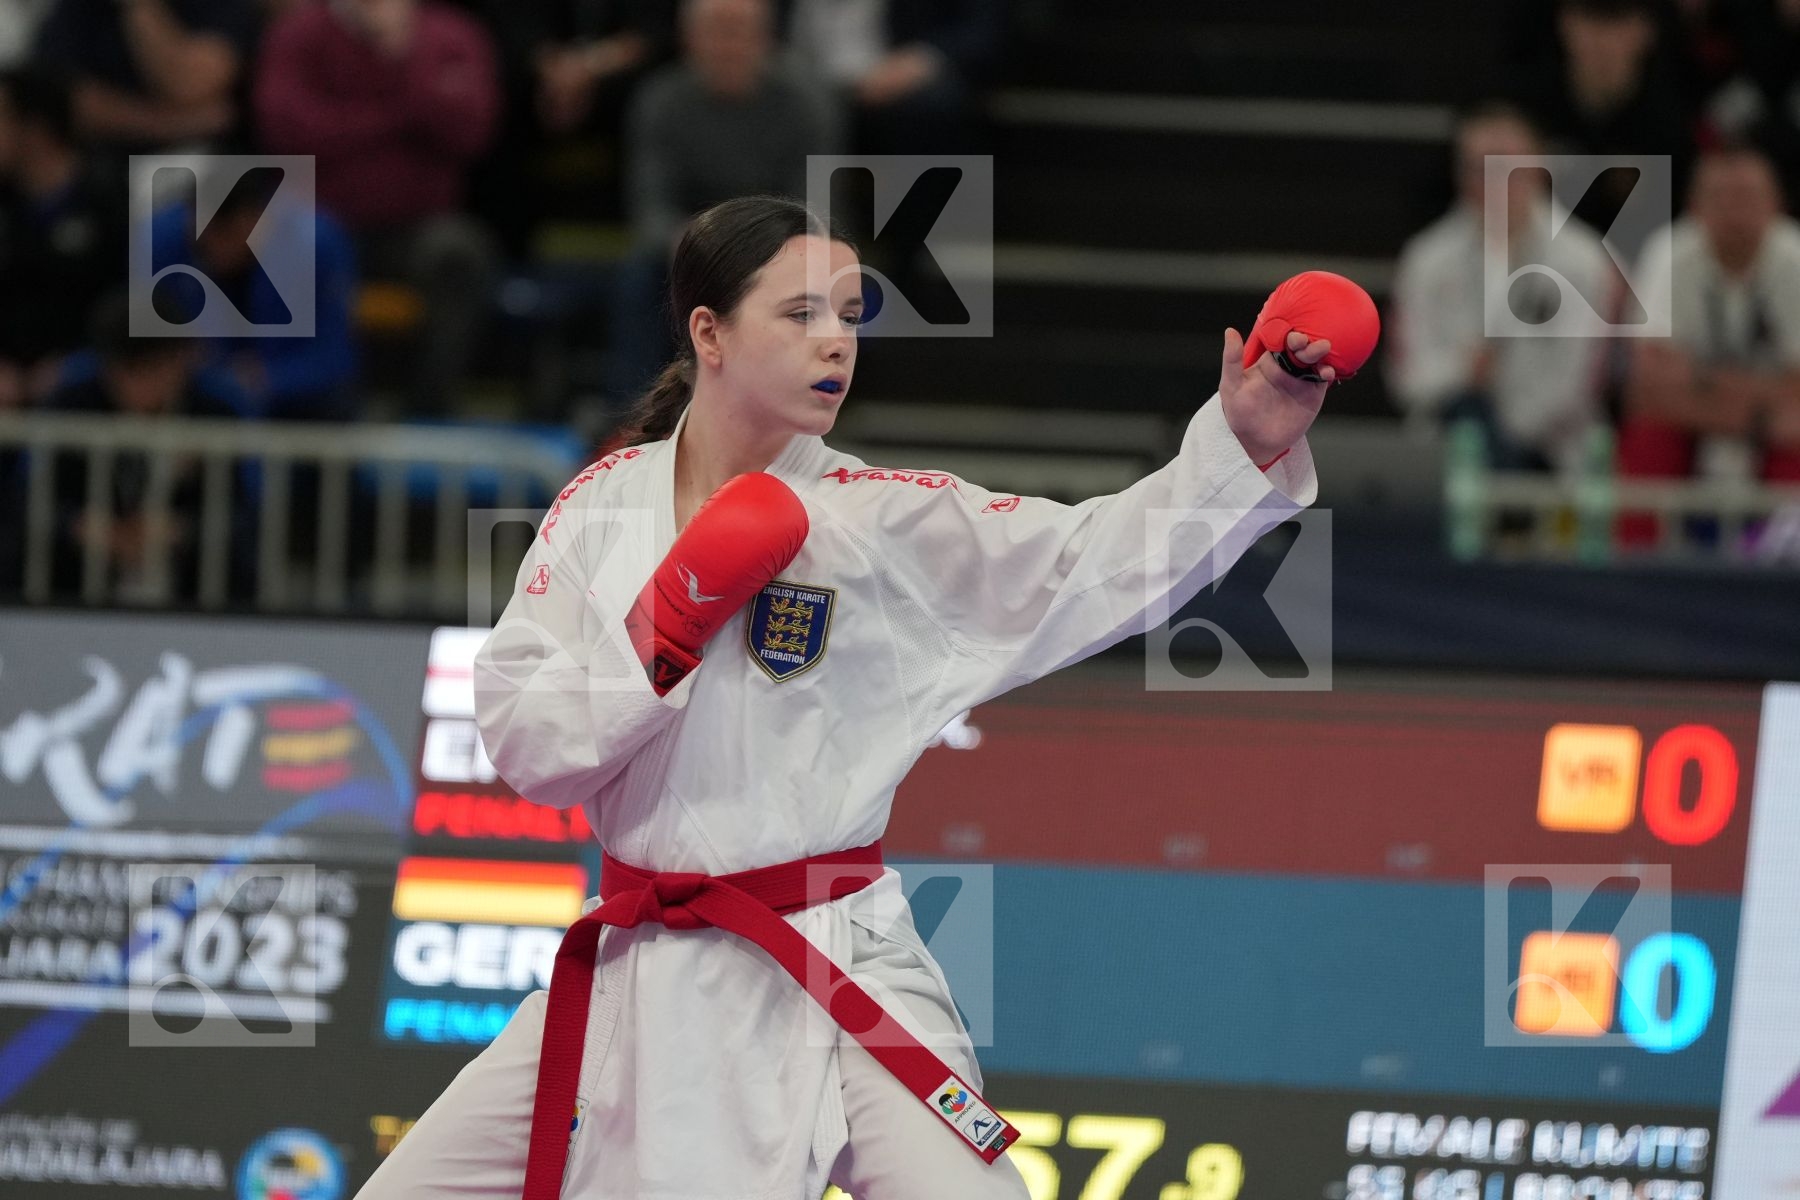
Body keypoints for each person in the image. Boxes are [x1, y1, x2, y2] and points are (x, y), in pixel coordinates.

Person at [354, 195, 1370, 1200]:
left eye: (849, 314)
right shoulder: (600, 506)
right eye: (801, 313)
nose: (836, 340)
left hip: (832, 958)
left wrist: (1242, 444)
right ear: (709, 333)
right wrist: (668, 625)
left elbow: (1090, 563)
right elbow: (529, 748)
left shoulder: (884, 524)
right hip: (635, 964)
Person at [255, 0, 501, 414]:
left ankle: (428, 412)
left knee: (459, 251)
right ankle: (305, 408)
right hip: (322, 225)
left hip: (414, 228)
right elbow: (288, 133)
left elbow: (470, 133)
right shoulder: (299, 34)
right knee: (285, 241)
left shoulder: (451, 37)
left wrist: (401, 55)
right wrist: (400, 120)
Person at [1387, 101, 1614, 472]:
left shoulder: (1583, 262)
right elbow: (1409, 378)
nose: (1493, 182)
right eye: (1478, 168)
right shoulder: (1426, 259)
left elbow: (1574, 387)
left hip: (1551, 459)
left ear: (1540, 168)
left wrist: (1504, 428)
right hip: (1450, 448)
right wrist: (1464, 372)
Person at [1618, 142, 1800, 544]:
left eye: (1747, 197)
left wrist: (1698, 381)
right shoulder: (1668, 252)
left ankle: (1785, 572)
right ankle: (1634, 570)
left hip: (1764, 431)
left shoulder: (1795, 259)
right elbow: (1647, 387)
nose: (1734, 211)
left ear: (1777, 205)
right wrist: (1761, 414)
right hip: (1722, 423)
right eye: (1720, 197)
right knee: (1647, 440)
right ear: (1694, 207)